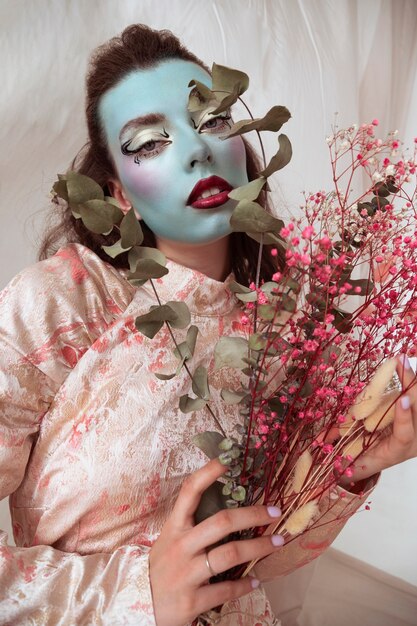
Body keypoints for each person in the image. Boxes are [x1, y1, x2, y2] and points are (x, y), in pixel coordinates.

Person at [1, 24, 416, 626]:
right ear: (117, 194)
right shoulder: (57, 307)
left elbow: (265, 555)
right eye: (150, 141)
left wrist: (354, 466)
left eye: (215, 120)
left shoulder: (290, 322)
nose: (196, 148)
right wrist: (137, 593)